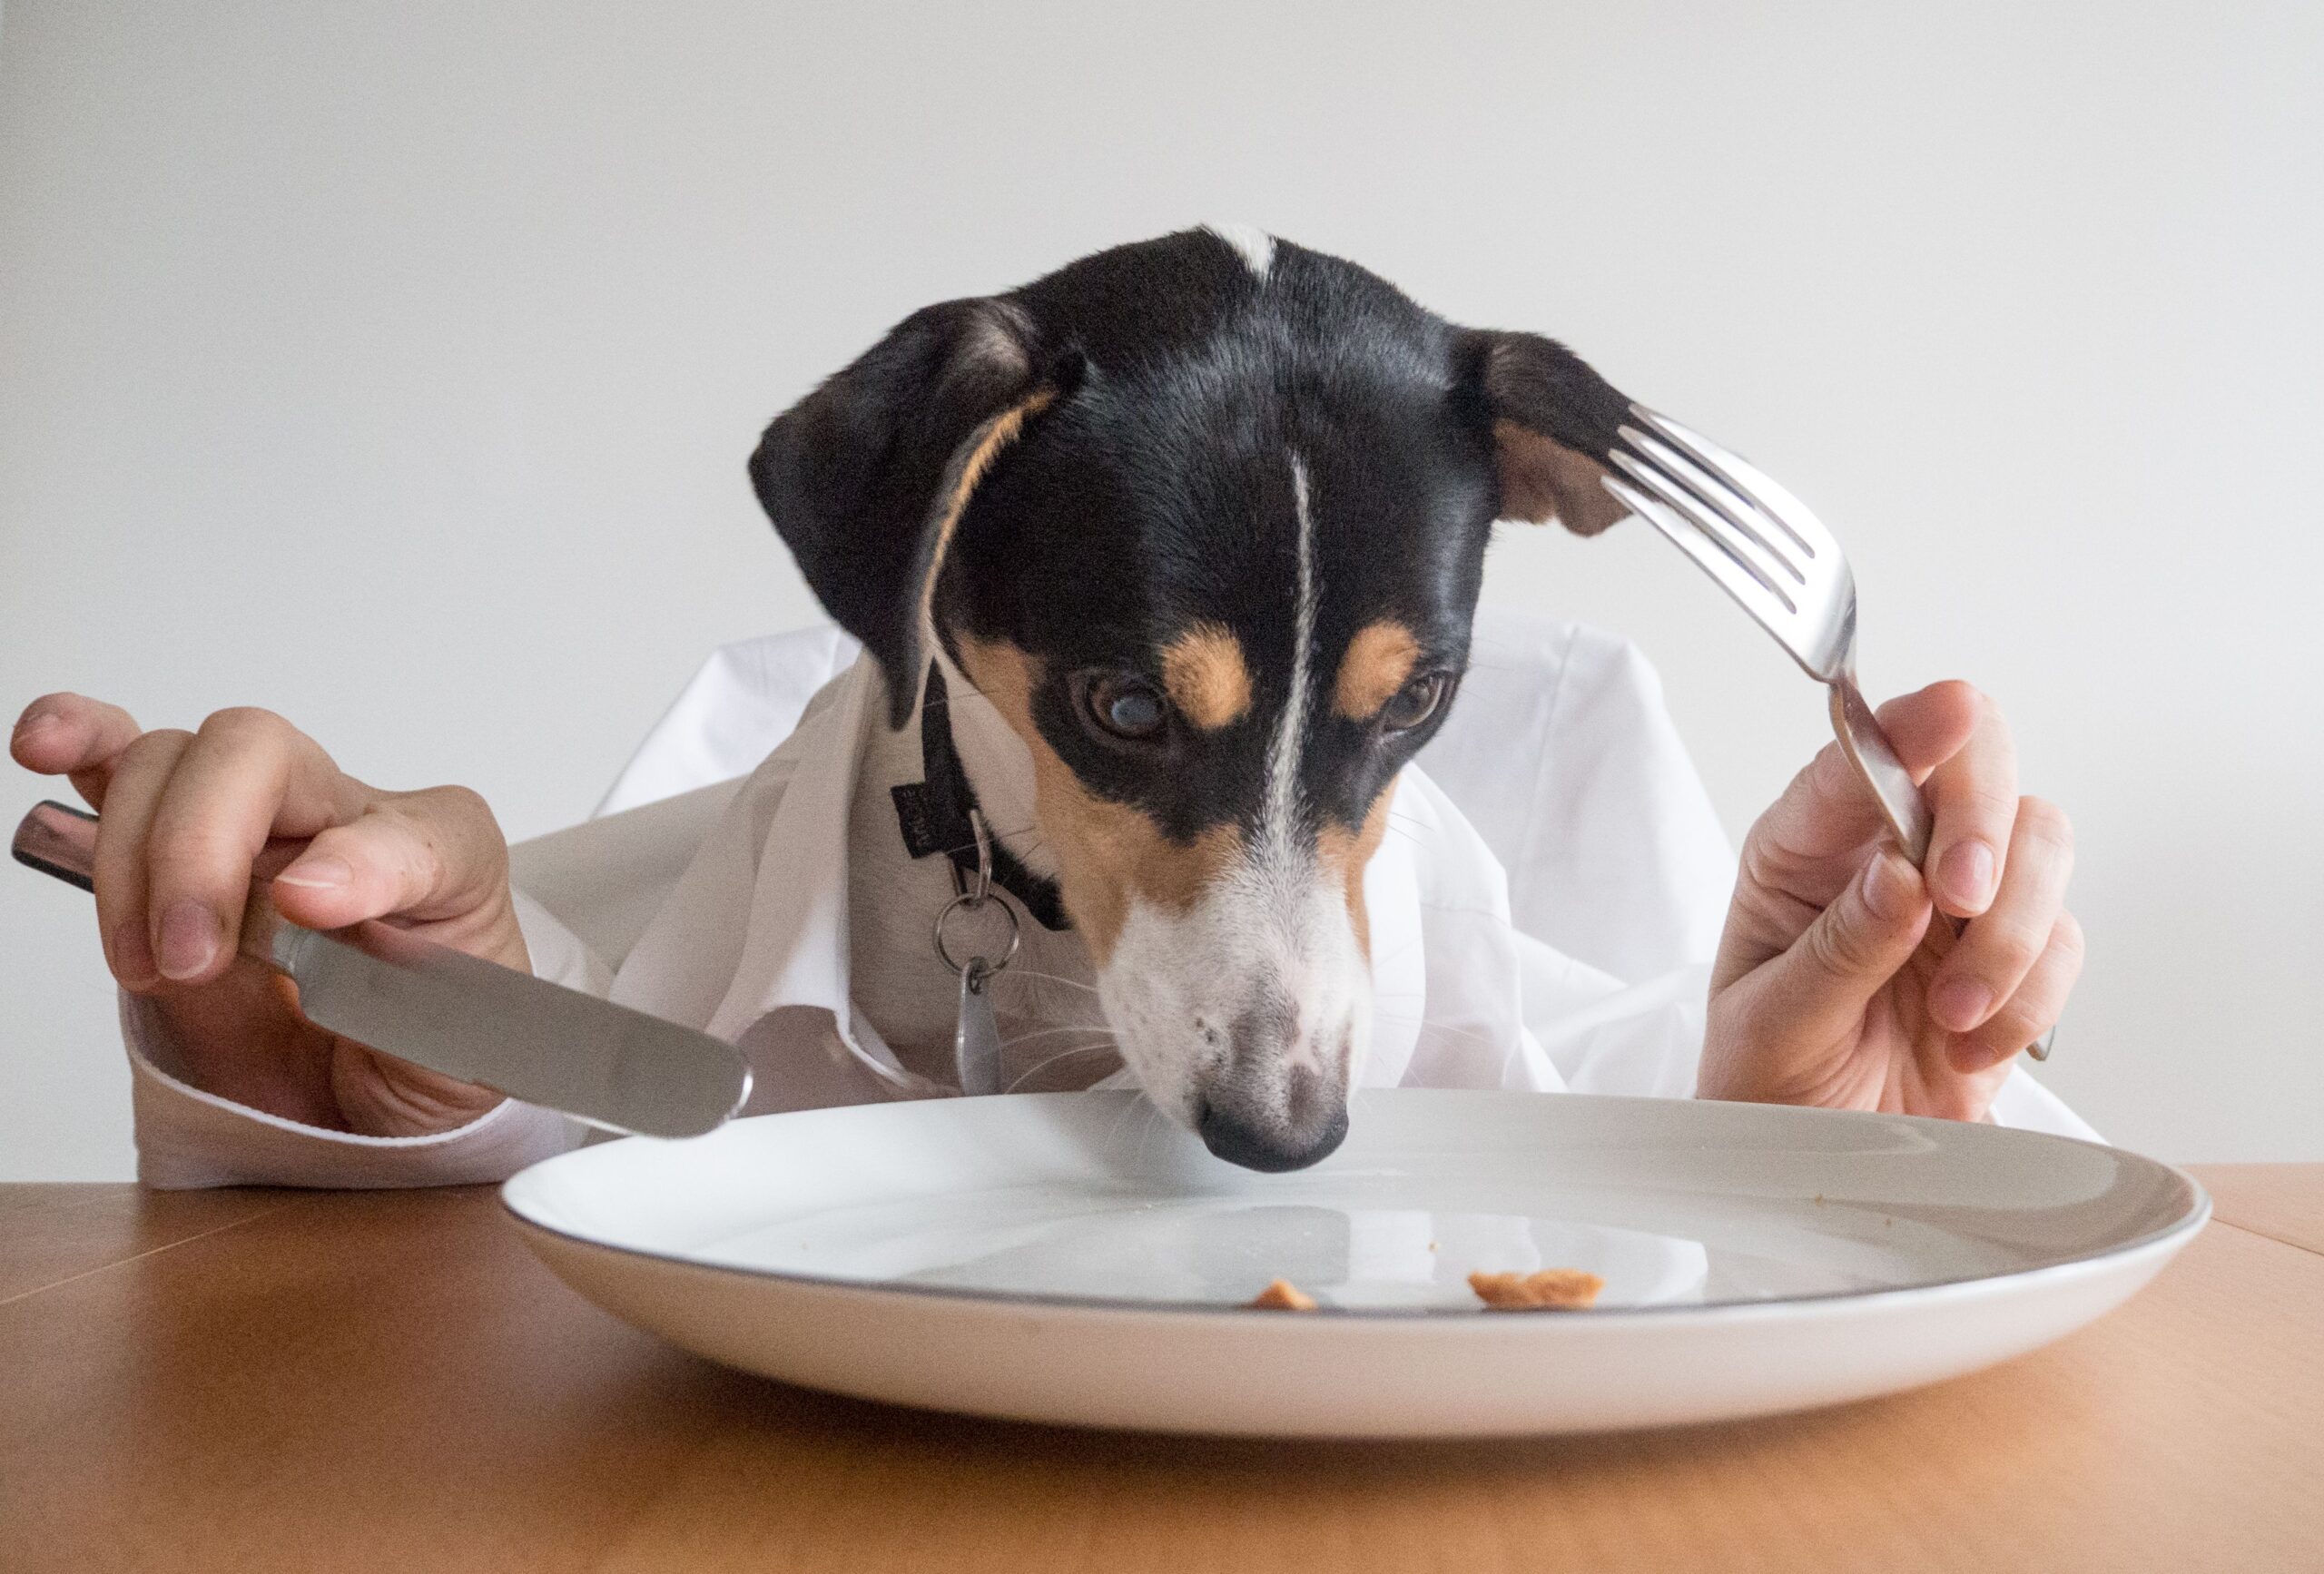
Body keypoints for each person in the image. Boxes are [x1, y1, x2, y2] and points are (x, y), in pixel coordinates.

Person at [9, 608, 2083, 1189]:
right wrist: (356, 1096)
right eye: (1122, 712)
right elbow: (517, 1167)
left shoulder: (1549, 841)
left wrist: (1806, 1174)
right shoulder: (673, 896)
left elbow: (1608, 1110)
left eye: (1376, 727)